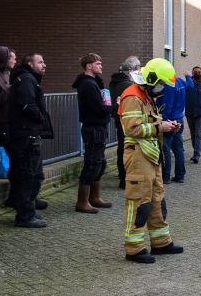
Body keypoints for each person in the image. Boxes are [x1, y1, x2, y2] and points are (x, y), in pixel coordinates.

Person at [118, 58, 184, 263]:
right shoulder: (132, 96)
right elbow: (132, 129)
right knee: (139, 201)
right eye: (161, 83)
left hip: (150, 156)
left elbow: (149, 122)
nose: (162, 88)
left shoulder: (146, 95)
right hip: (138, 156)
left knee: (156, 199)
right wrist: (159, 127)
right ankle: (134, 249)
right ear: (152, 79)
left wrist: (166, 125)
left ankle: (161, 242)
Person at [0, 47, 46, 210]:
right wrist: (13, 89)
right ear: (3, 59)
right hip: (7, 126)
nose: (14, 60)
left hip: (15, 125)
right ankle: (23, 204)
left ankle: (21, 199)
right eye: (11, 57)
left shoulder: (9, 75)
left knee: (21, 166)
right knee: (22, 167)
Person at [7, 54, 54, 228]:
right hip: (27, 135)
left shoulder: (28, 79)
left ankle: (28, 210)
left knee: (33, 175)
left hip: (28, 134)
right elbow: (27, 104)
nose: (44, 65)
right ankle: (25, 216)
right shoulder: (26, 79)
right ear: (30, 64)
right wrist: (41, 118)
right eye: (40, 62)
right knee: (28, 175)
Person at [72, 53, 113, 214]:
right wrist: (112, 107)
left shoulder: (94, 82)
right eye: (97, 63)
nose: (101, 66)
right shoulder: (88, 85)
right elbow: (100, 108)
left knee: (99, 163)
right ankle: (82, 202)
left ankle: (94, 197)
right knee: (91, 163)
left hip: (98, 128)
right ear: (89, 66)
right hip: (93, 128)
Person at [109, 56, 140, 189]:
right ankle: (125, 178)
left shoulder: (114, 83)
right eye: (137, 68)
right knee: (128, 149)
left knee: (121, 147)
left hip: (119, 118)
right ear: (130, 71)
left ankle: (122, 176)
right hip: (128, 119)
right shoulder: (128, 85)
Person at [159, 74, 187, 183]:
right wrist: (189, 77)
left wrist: (165, 120)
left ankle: (165, 177)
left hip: (170, 120)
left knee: (165, 149)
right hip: (179, 118)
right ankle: (180, 175)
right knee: (178, 149)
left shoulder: (168, 85)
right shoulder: (180, 81)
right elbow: (190, 86)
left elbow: (167, 105)